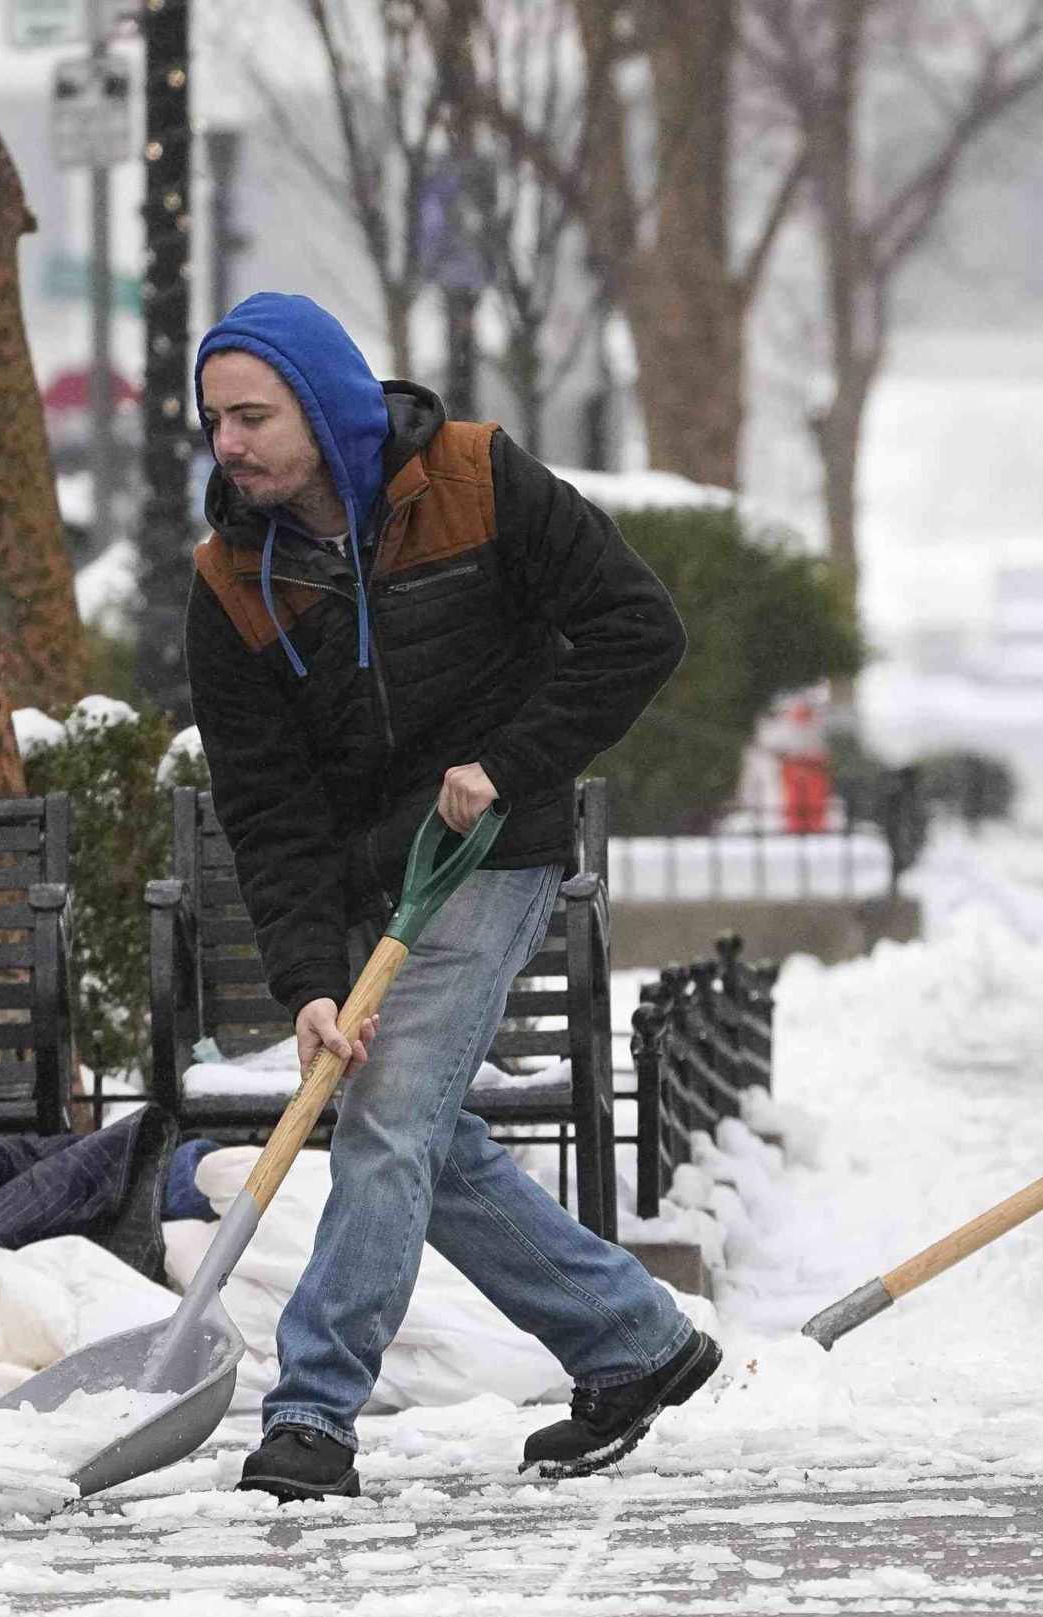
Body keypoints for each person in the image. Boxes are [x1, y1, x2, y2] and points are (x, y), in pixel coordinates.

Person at [184, 291, 715, 1499]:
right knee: (418, 1125)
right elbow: (270, 811)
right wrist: (312, 981)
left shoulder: (477, 479)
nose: (229, 444)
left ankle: (314, 1410)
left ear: (321, 406)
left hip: (486, 851)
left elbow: (640, 630)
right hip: (371, 878)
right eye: (214, 421)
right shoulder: (233, 583)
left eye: (253, 416)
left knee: (384, 1122)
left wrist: (511, 760)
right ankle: (634, 1340)